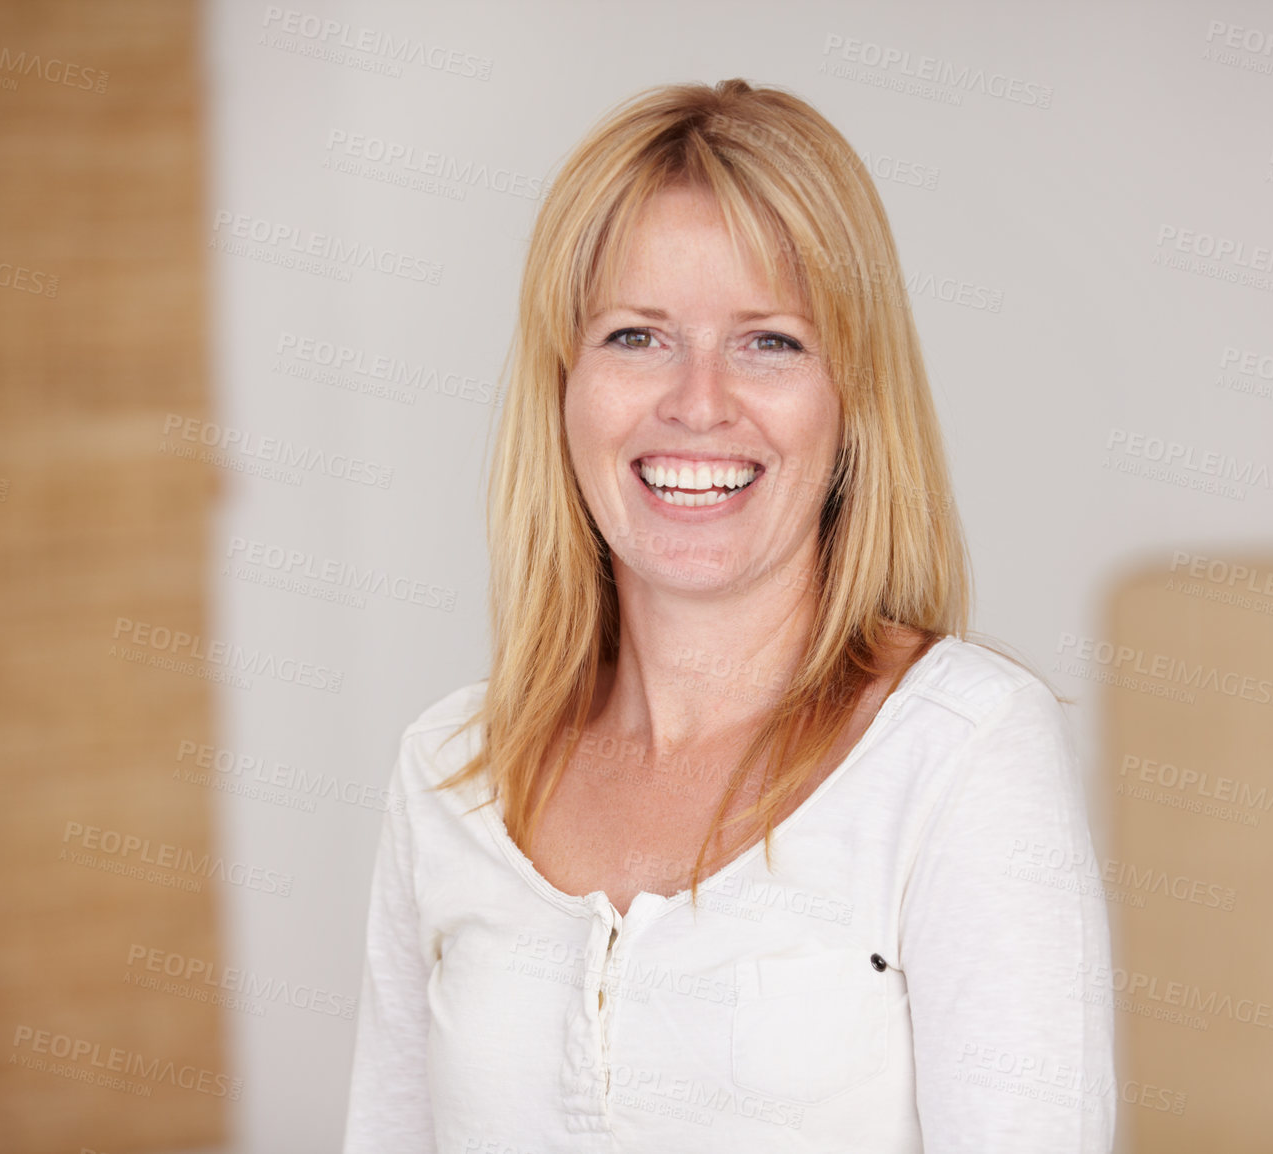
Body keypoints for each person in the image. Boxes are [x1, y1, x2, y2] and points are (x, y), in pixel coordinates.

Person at [343, 78, 1115, 1152]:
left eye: (770, 342)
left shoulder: (961, 749)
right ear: (562, 386)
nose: (697, 401)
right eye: (635, 336)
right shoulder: (447, 770)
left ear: (852, 402)